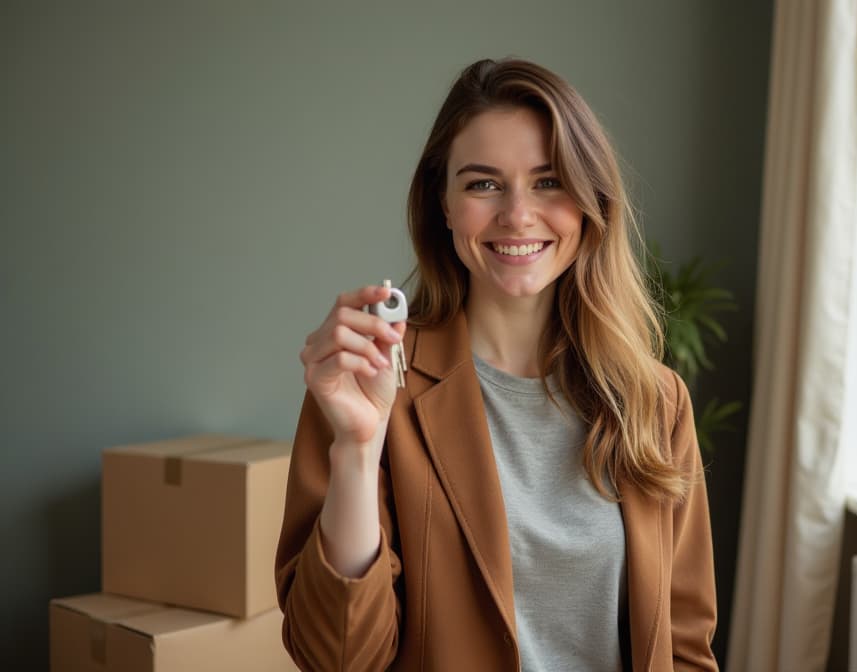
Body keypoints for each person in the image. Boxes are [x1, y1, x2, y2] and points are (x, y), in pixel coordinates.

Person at [274, 57, 718, 672]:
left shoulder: (657, 401)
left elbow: (686, 647)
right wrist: (357, 448)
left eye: (549, 181)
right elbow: (339, 657)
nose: (516, 214)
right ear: (445, 204)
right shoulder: (368, 385)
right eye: (483, 184)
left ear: (591, 202)